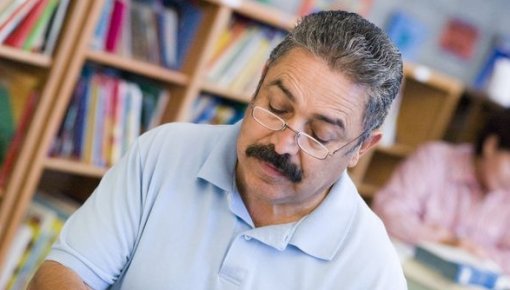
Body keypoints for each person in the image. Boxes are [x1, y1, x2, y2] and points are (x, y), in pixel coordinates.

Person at [29, 10, 405, 290]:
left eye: (319, 135)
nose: (282, 144)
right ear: (259, 82)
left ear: (361, 147)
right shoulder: (163, 153)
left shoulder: (371, 270)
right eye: (276, 108)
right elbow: (65, 272)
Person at [373, 108, 510, 274]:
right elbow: (388, 212)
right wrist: (447, 241)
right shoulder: (433, 159)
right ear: (491, 145)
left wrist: (479, 253)